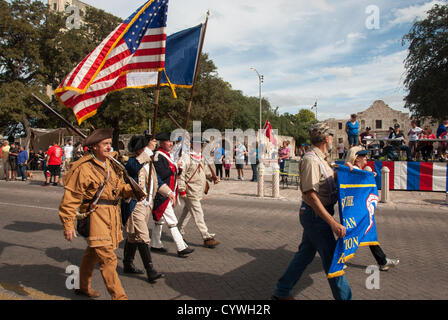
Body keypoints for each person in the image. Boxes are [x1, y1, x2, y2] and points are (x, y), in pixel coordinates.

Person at [58, 128, 141, 300]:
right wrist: (68, 224)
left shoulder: (112, 164)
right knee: (108, 259)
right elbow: (71, 198)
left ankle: (82, 286)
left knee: (92, 253)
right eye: (105, 144)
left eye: (110, 144)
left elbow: (117, 189)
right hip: (96, 216)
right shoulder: (84, 168)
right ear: (94, 147)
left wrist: (131, 190)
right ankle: (119, 297)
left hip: (112, 215)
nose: (109, 147)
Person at [272, 122, 352, 300]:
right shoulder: (310, 159)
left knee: (304, 256)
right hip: (315, 216)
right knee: (333, 262)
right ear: (326, 139)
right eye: (331, 136)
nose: (331, 140)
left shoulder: (321, 159)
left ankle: (281, 291)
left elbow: (328, 180)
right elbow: (311, 196)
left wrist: (348, 169)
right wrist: (332, 223)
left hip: (318, 215)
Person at [344, 146, 400, 271]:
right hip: (355, 209)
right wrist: (350, 165)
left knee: (368, 233)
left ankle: (382, 260)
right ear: (356, 158)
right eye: (363, 156)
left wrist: (368, 175)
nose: (366, 158)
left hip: (362, 209)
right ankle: (338, 259)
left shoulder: (359, 171)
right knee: (349, 233)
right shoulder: (352, 169)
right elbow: (347, 173)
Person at [123, 135, 170, 281]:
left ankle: (127, 264)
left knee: (133, 237)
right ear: (137, 150)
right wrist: (148, 151)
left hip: (147, 204)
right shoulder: (130, 162)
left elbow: (158, 181)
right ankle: (150, 270)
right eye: (142, 148)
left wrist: (169, 192)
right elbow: (134, 167)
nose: (145, 150)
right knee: (143, 237)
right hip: (134, 205)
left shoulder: (148, 161)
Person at [151, 132, 194, 258]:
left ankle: (155, 243)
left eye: (172, 142)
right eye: (169, 142)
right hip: (162, 193)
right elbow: (161, 174)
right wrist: (175, 166)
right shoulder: (158, 156)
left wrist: (178, 168)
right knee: (172, 221)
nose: (171, 144)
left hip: (169, 192)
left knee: (160, 220)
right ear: (161, 143)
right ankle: (181, 247)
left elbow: (173, 174)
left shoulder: (167, 155)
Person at [178, 136, 221, 248]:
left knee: (186, 213)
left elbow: (205, 172)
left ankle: (178, 231)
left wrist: (213, 178)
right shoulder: (187, 157)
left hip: (198, 190)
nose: (202, 146)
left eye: (202, 145)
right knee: (198, 214)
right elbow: (181, 176)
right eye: (200, 144)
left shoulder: (201, 157)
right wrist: (182, 190)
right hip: (189, 191)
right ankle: (207, 237)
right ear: (194, 145)